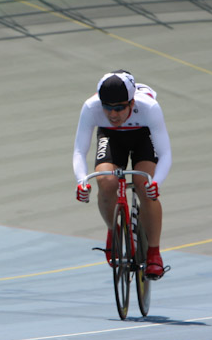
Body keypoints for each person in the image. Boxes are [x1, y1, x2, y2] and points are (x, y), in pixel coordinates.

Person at [72, 70, 172, 279]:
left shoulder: (149, 107)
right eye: (107, 108)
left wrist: (156, 182)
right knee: (105, 181)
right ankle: (114, 231)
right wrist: (81, 181)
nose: (112, 114)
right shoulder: (91, 107)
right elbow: (80, 150)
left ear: (132, 103)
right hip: (111, 137)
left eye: (119, 108)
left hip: (142, 136)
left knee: (144, 185)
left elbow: (165, 153)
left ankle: (154, 252)